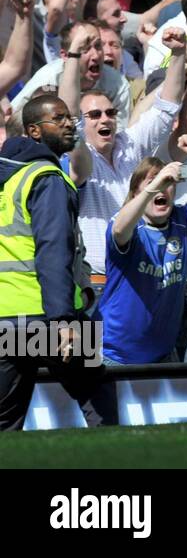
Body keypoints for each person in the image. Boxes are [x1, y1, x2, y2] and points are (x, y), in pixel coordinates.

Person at [0, 95, 117, 430]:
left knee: (5, 426)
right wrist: (63, 320)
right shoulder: (46, 177)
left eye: (70, 117)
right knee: (99, 397)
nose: (70, 124)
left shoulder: (7, 180)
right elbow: (54, 251)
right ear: (34, 131)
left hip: (5, 321)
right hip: (45, 317)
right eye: (59, 118)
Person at [100, 139, 187, 365]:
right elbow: (119, 229)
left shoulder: (183, 219)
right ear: (137, 191)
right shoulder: (128, 224)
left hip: (161, 356)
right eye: (155, 183)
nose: (163, 188)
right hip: (112, 355)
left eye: (169, 183)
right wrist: (155, 184)